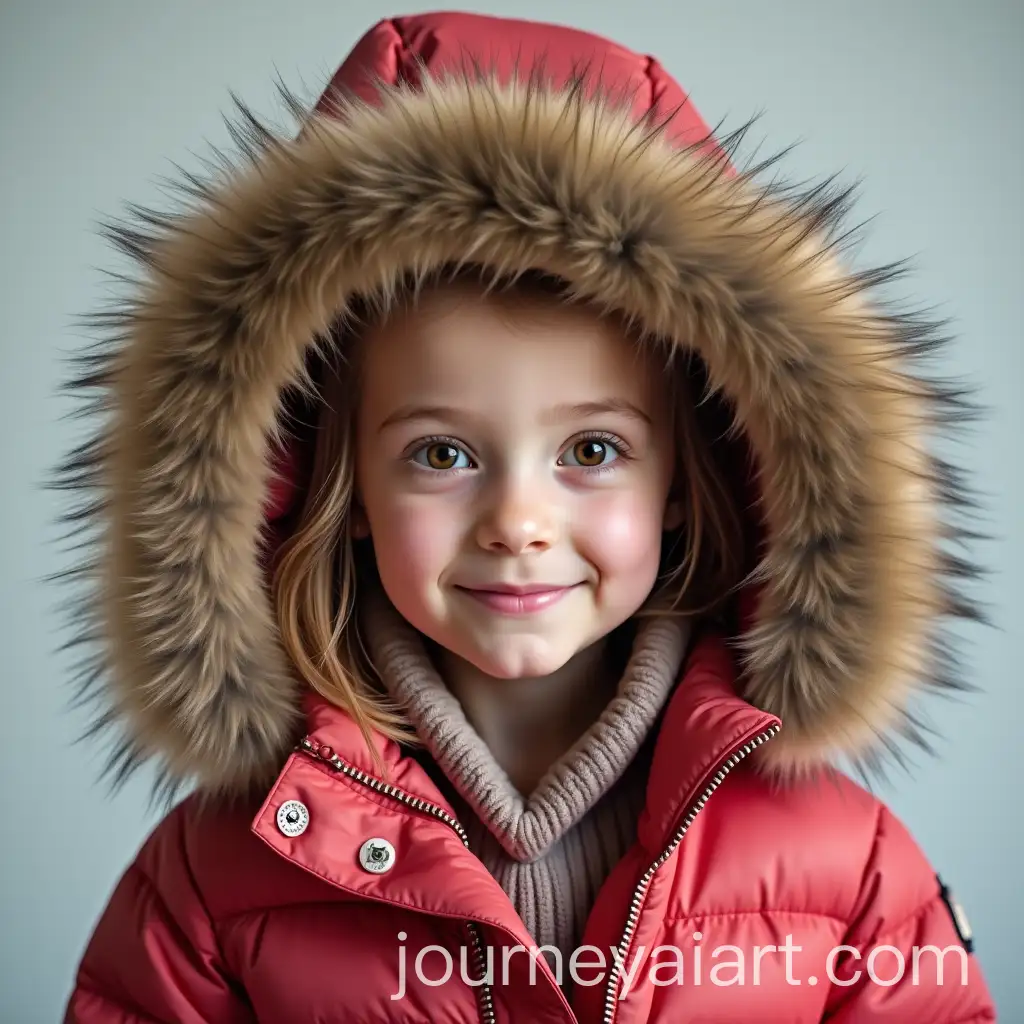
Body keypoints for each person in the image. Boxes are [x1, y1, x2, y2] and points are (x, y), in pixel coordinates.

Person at [59, 10, 996, 1023]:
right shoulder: (215, 874)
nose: (517, 520)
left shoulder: (847, 863)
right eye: (441, 454)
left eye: (591, 451)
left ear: (683, 482)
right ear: (345, 491)